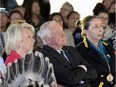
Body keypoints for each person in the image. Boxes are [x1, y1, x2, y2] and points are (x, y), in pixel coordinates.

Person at [37, 21, 97, 87]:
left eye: (62, 31)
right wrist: (83, 68)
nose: (63, 34)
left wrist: (77, 76)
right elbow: (70, 79)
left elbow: (93, 72)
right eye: (58, 33)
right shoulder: (45, 56)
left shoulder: (71, 50)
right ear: (47, 39)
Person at [76, 15, 115, 87]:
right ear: (86, 31)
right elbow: (83, 79)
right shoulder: (79, 50)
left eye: (101, 26)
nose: (101, 29)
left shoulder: (108, 47)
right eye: (96, 27)